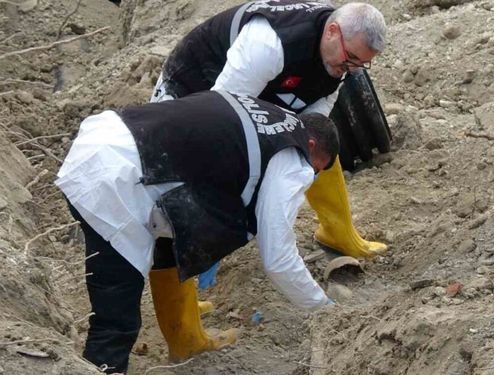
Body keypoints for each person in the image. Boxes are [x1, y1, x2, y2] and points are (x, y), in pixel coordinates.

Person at [55, 90, 339, 373]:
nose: (310, 177)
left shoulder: (270, 115)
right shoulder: (292, 157)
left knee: (167, 250)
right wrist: (326, 310)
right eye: (316, 169)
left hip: (107, 138)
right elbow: (279, 258)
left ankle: (185, 341)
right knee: (117, 320)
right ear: (311, 145)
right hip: (115, 182)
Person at [151, 1, 389, 267]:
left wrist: (300, 150)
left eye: (362, 64)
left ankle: (337, 232)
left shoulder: (340, 55)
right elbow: (219, 120)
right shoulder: (269, 44)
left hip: (264, 83)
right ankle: (181, 301)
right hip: (194, 86)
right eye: (352, 59)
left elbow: (314, 123)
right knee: (179, 195)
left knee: (317, 145)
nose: (354, 69)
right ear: (332, 31)